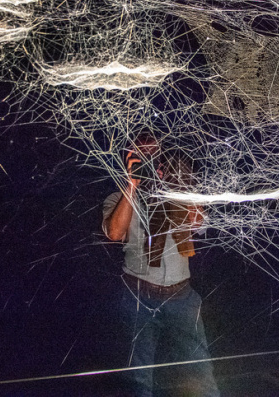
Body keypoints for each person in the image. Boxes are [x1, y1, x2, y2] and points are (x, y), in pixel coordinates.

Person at [103, 132, 219, 397]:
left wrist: (183, 186)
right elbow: (114, 233)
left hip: (181, 296)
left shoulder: (177, 196)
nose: (150, 159)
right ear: (130, 159)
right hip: (137, 296)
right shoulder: (118, 197)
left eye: (155, 154)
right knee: (138, 376)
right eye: (142, 155)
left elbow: (199, 224)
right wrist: (131, 184)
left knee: (199, 368)